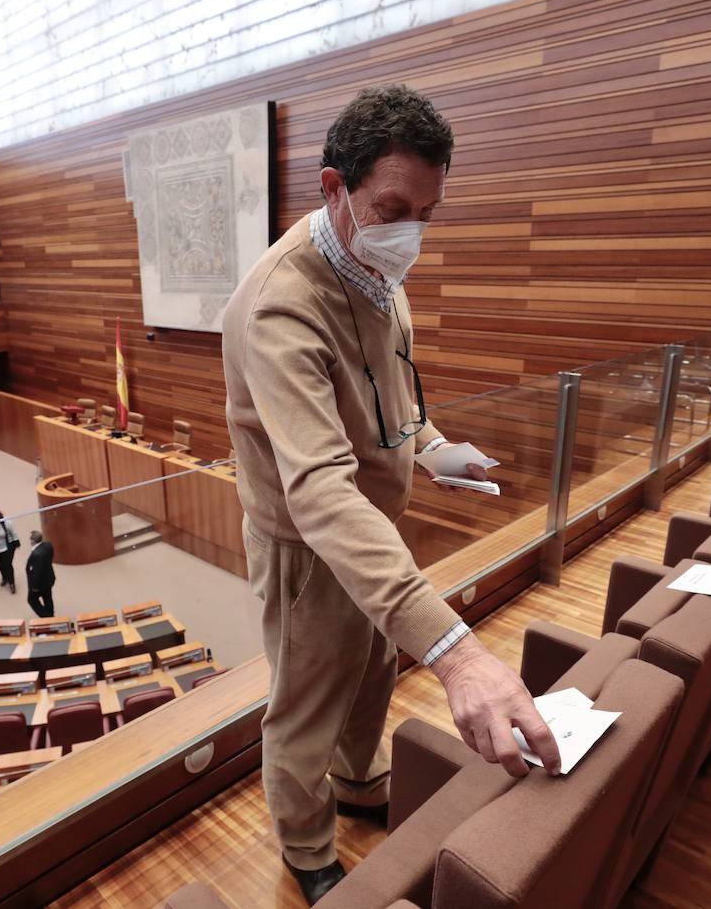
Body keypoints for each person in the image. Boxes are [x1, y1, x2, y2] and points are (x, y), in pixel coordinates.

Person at [222, 84, 561, 906]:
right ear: (334, 188)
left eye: (428, 212)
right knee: (305, 708)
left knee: (372, 672)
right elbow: (319, 490)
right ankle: (306, 847)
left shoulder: (375, 261)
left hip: (372, 530)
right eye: (394, 206)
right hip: (309, 547)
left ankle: (359, 779)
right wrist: (457, 653)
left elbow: (394, 401)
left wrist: (437, 449)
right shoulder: (280, 308)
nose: (411, 230)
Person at [24, 530, 56, 618]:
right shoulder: (48, 545)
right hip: (49, 578)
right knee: (47, 598)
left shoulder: (36, 555)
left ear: (32, 541)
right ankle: (51, 613)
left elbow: (37, 573)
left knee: (31, 600)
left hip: (39, 584)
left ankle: (46, 617)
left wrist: (34, 587)